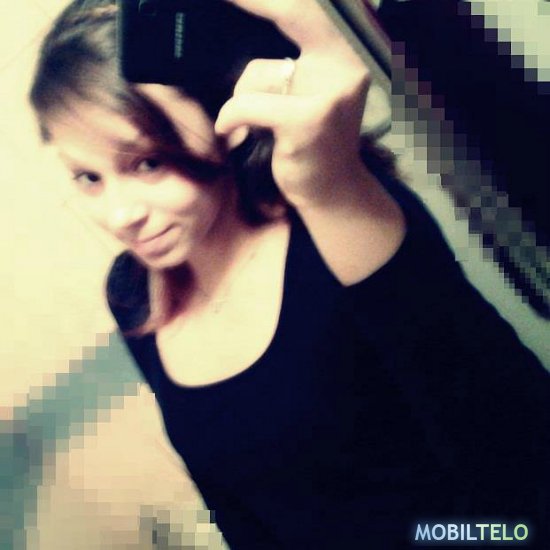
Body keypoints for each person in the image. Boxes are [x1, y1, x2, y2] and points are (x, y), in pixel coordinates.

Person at [30, 0, 550, 547]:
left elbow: (514, 457)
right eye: (88, 177)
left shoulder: (335, 226)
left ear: (229, 116)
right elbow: (231, 502)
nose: (120, 216)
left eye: (147, 163)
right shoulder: (134, 289)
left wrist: (330, 187)